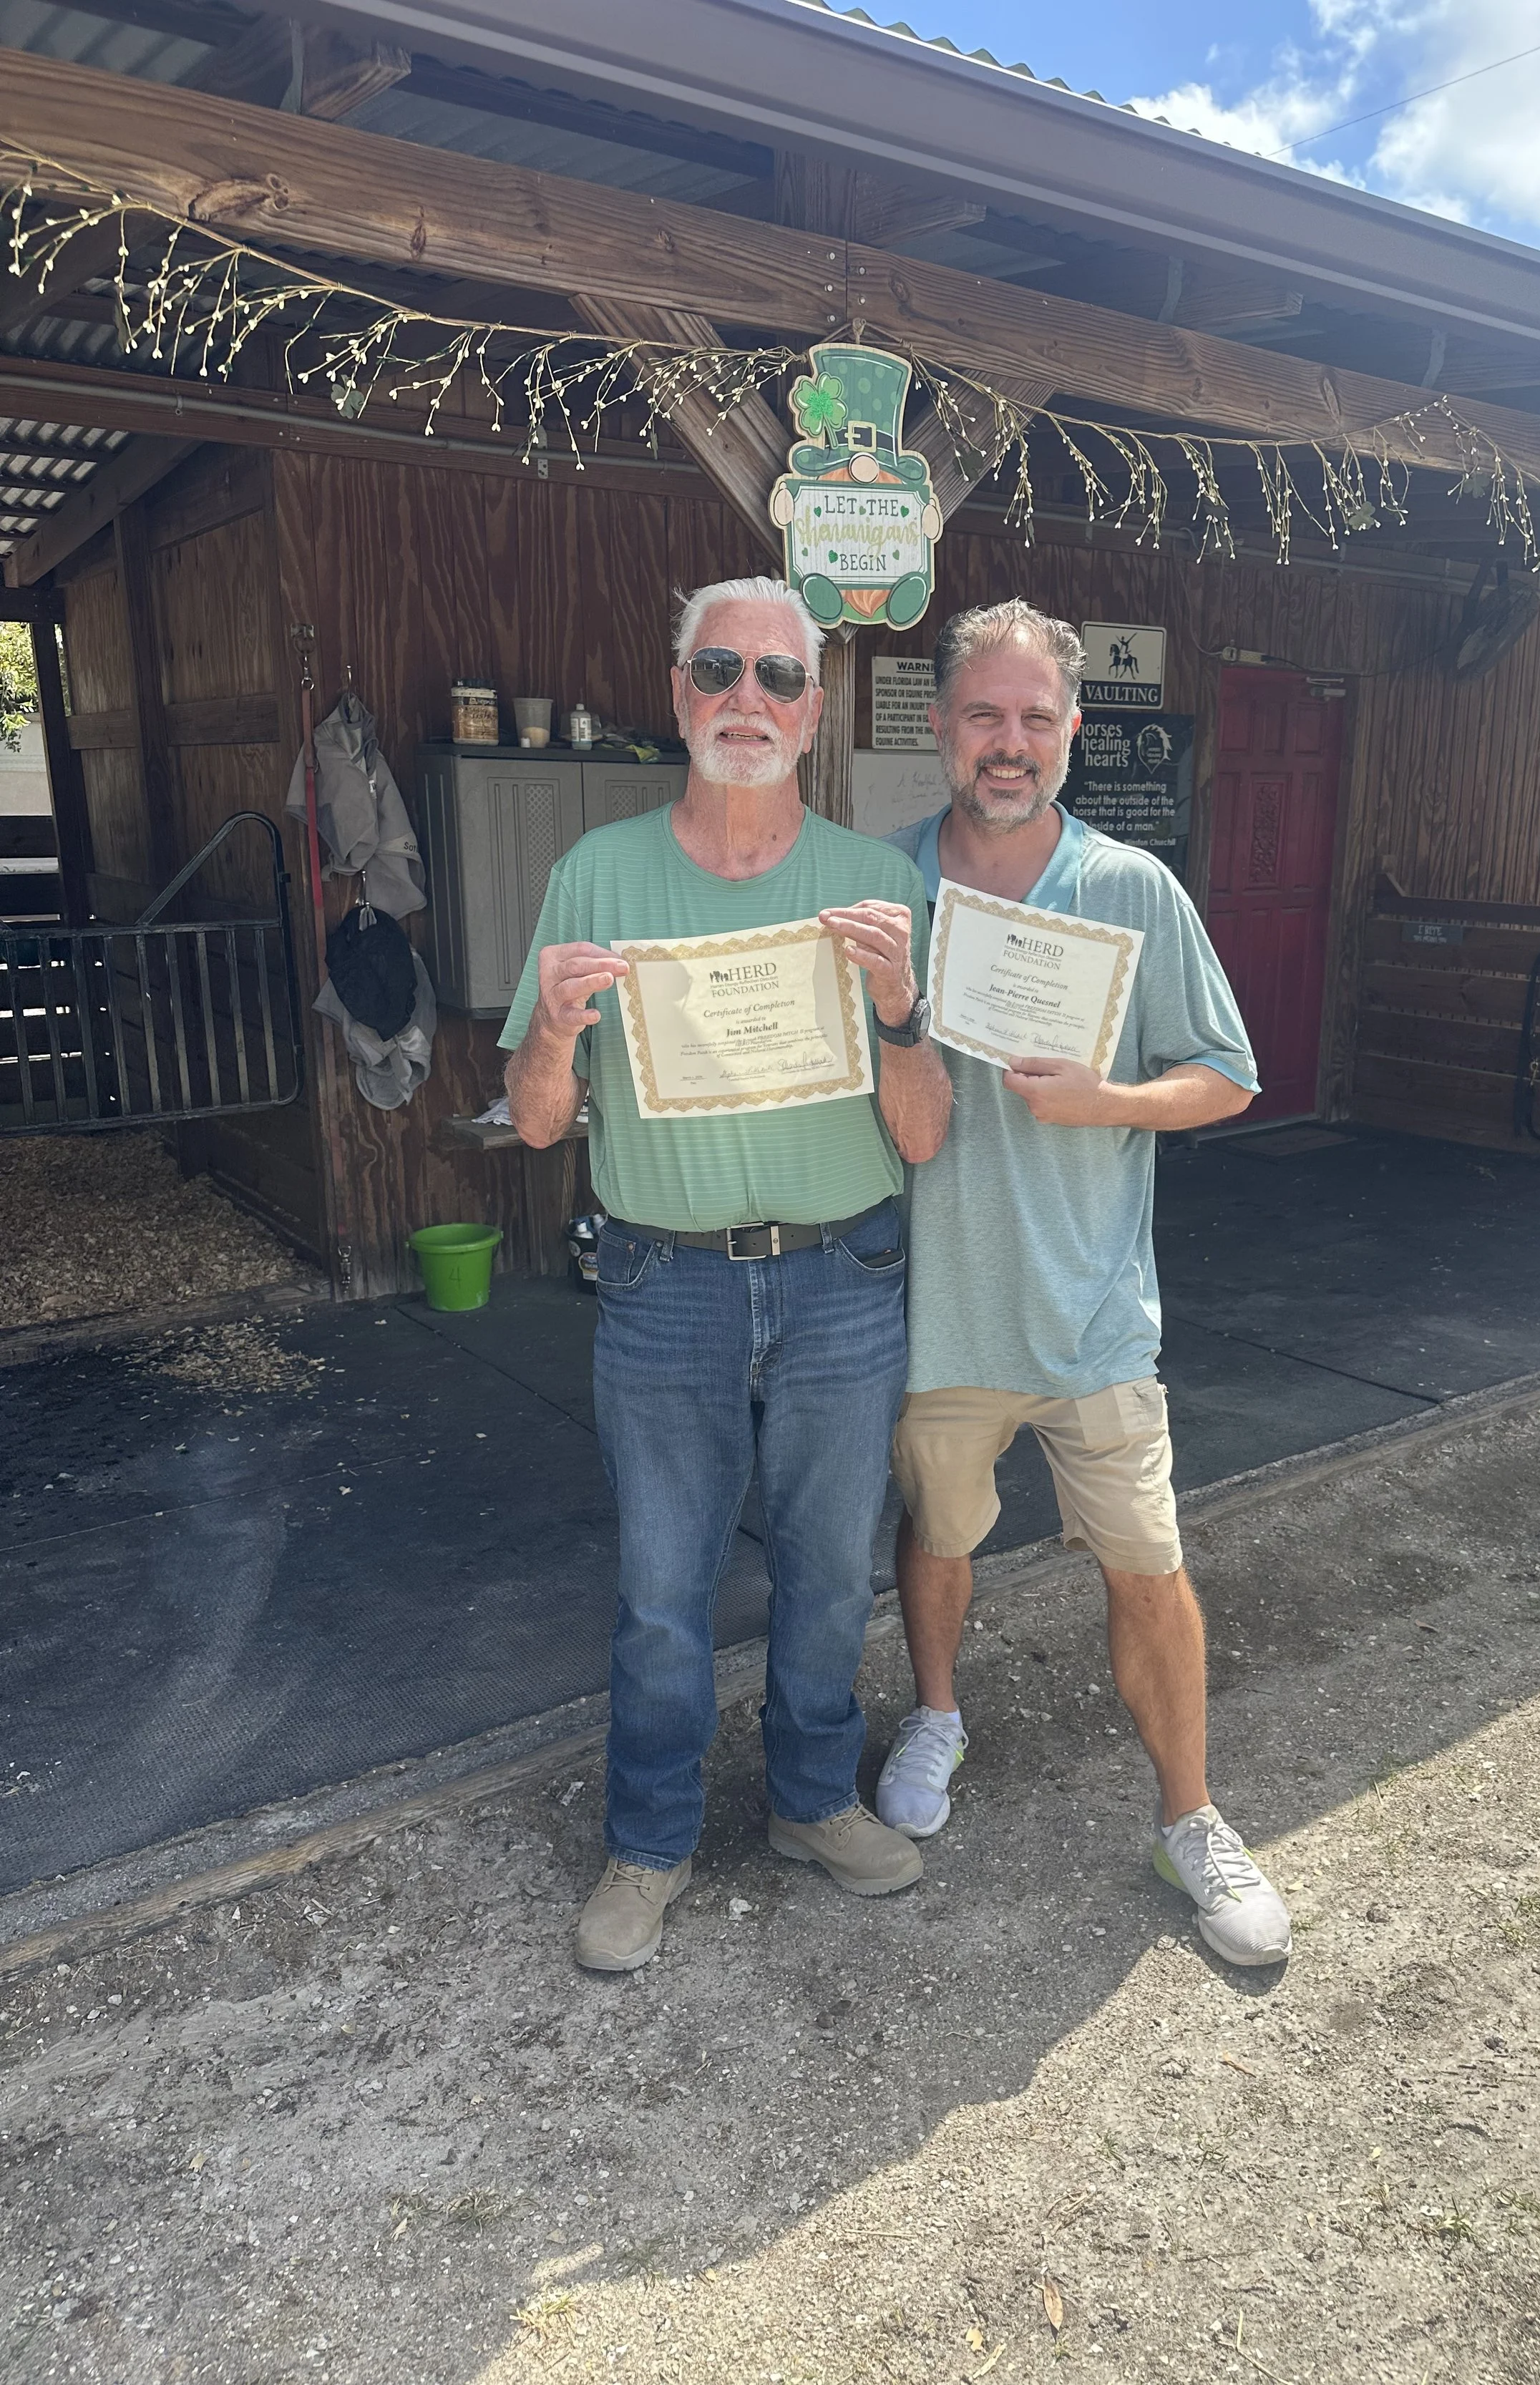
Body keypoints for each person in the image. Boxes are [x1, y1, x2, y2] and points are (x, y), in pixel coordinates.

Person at [502, 575, 952, 1973]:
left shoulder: (879, 890)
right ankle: (650, 1839)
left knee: (829, 1576)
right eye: (717, 670)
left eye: (776, 676)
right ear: (678, 693)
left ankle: (812, 1801)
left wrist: (897, 1012)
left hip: (841, 1280)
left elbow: (924, 1133)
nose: (744, 697)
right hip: (664, 1287)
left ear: (812, 712)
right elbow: (534, 1121)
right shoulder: (597, 874)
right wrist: (556, 1036)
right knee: (661, 1588)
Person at [874, 599, 1292, 1968]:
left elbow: (1227, 1075)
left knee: (1149, 1567)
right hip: (940, 1308)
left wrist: (1110, 1099)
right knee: (939, 1535)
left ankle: (1191, 1818)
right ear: (943, 727)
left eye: (1036, 718)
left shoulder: (1131, 889)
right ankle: (937, 1714)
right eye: (985, 715)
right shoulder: (883, 888)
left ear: (1069, 732)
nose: (1010, 742)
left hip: (1096, 1312)